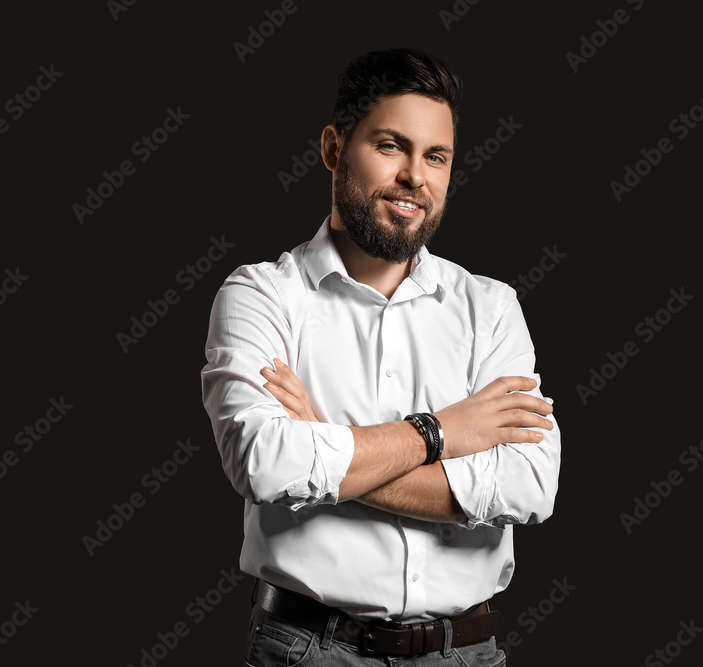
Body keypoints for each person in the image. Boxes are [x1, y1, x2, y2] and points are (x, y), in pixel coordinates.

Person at [201, 47, 561, 666]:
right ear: (334, 149)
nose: (415, 177)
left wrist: (327, 443)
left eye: (436, 156)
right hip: (309, 652)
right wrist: (444, 431)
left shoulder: (491, 309)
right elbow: (264, 464)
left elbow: (530, 485)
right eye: (391, 146)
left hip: (467, 655)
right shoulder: (262, 296)